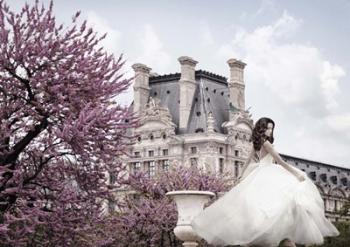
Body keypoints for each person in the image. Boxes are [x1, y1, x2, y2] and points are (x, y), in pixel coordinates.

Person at [191, 117, 339, 247]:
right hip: (269, 171)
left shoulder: (256, 143)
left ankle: (270, 233)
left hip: (259, 173)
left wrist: (239, 177)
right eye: (268, 128)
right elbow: (280, 161)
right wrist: (296, 174)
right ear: (262, 129)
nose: (270, 131)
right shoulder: (266, 144)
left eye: (272, 129)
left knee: (264, 208)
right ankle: (281, 232)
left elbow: (248, 161)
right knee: (282, 203)